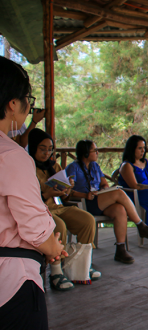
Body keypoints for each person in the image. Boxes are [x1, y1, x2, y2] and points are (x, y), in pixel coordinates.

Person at [0, 56, 67, 329]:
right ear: (13, 103)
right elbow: (34, 225)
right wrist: (52, 247)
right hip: (12, 283)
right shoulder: (11, 155)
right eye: (28, 98)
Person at [66, 139, 148, 264]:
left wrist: (104, 190)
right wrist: (85, 195)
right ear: (86, 153)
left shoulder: (95, 166)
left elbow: (104, 183)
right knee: (119, 193)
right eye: (95, 150)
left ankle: (120, 250)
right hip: (83, 203)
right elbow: (67, 191)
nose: (97, 152)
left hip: (97, 200)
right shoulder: (73, 168)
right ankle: (140, 225)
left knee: (119, 209)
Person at [29, 128, 99, 291]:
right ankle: (56, 271)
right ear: (33, 147)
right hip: (41, 210)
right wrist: (46, 193)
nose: (47, 153)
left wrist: (67, 190)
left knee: (87, 220)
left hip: (58, 206)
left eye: (50, 149)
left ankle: (81, 265)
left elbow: (64, 198)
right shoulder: (28, 167)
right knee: (58, 226)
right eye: (42, 149)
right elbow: (27, 199)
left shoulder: (55, 166)